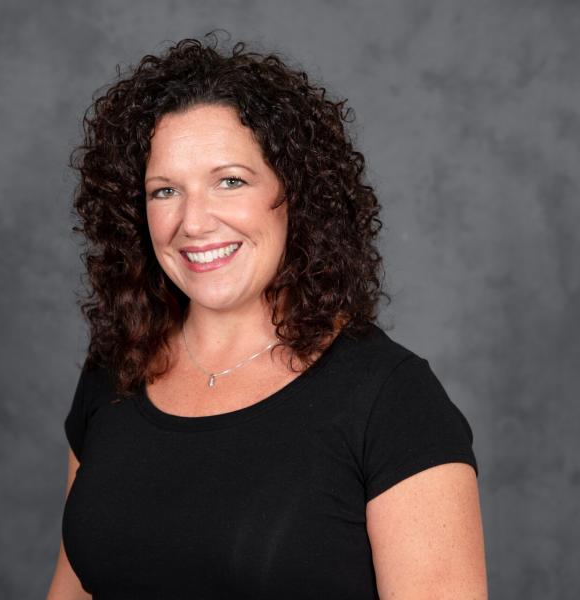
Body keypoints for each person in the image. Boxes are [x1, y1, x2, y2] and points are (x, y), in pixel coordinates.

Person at [46, 32, 487, 600]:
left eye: (230, 181)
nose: (194, 222)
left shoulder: (392, 401)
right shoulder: (114, 371)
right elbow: (72, 589)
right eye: (164, 191)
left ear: (294, 195)